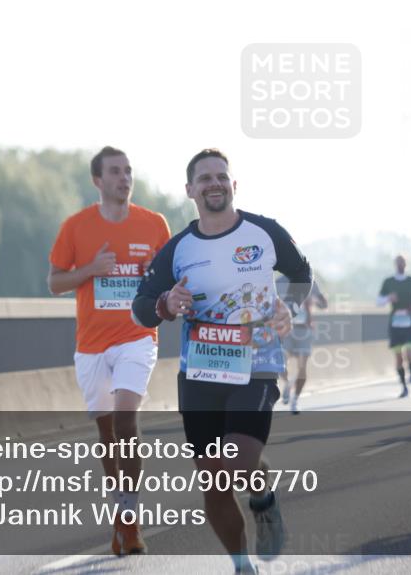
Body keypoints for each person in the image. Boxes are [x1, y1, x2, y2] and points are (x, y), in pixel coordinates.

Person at [132, 149, 308, 571]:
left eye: (221, 176)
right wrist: (166, 303)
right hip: (200, 372)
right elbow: (140, 308)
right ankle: (241, 564)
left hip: (256, 364)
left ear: (233, 185)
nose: (214, 183)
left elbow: (301, 274)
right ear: (190, 190)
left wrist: (289, 308)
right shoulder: (178, 249)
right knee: (213, 480)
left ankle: (262, 497)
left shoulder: (264, 231)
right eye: (205, 178)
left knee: (239, 462)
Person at [48, 146, 171, 556]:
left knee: (125, 419)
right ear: (97, 180)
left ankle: (130, 520)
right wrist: (90, 270)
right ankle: (121, 512)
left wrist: (155, 277)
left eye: (128, 171)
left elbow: (172, 279)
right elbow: (55, 282)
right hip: (91, 345)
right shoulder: (76, 227)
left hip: (137, 336)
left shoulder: (154, 224)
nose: (124, 178)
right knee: (106, 434)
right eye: (115, 171)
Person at [277, 275, 327, 413]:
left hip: (304, 330)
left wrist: (315, 300)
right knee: (280, 362)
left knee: (302, 366)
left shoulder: (311, 281)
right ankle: (288, 384)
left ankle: (295, 400)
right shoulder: (278, 282)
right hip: (285, 328)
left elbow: (323, 304)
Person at [378, 255, 411, 397]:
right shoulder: (389, 282)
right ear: (395, 264)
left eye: (403, 262)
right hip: (395, 323)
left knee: (409, 353)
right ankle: (404, 386)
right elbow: (379, 301)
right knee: (398, 358)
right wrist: (388, 298)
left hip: (410, 322)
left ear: (406, 264)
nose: (400, 265)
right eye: (398, 263)